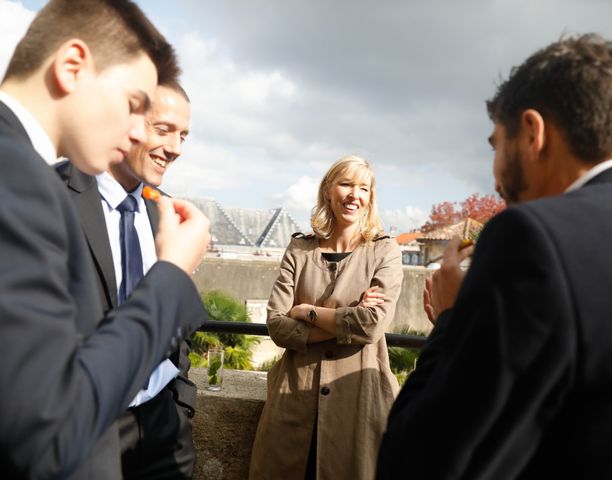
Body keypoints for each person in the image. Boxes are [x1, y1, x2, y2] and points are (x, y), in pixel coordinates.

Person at [377, 33, 612, 479]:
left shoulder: (533, 239)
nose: (496, 176)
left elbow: (422, 461)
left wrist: (452, 320)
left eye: (496, 145)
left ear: (534, 133)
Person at [0, 1, 211, 479]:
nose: (138, 131)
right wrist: (172, 276)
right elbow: (49, 429)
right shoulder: (20, 178)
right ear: (72, 66)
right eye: (135, 104)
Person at [56, 82, 197, 479]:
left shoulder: (165, 213)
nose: (176, 149)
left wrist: (181, 403)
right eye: (164, 129)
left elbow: (176, 319)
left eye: (183, 135)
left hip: (165, 431)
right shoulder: (52, 195)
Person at [250, 155, 404, 480]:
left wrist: (306, 312)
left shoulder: (384, 251)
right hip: (292, 403)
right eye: (346, 184)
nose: (354, 194)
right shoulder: (299, 249)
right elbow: (277, 325)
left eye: (363, 188)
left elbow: (372, 324)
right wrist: (349, 319)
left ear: (371, 197)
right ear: (328, 191)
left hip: (358, 403)